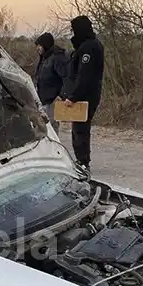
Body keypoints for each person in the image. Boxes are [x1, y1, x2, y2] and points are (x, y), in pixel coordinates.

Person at [59, 15, 104, 173]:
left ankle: (83, 162)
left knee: (81, 128)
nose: (72, 32)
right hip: (84, 94)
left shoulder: (89, 47)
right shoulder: (85, 45)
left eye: (74, 29)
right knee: (77, 127)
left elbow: (85, 75)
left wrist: (73, 96)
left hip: (86, 95)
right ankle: (81, 159)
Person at [33, 32, 68, 133]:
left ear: (45, 45)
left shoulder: (58, 58)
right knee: (43, 128)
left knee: (51, 128)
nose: (37, 48)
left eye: (39, 45)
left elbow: (67, 78)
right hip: (43, 100)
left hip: (53, 100)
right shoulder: (44, 58)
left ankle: (54, 148)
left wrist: (61, 95)